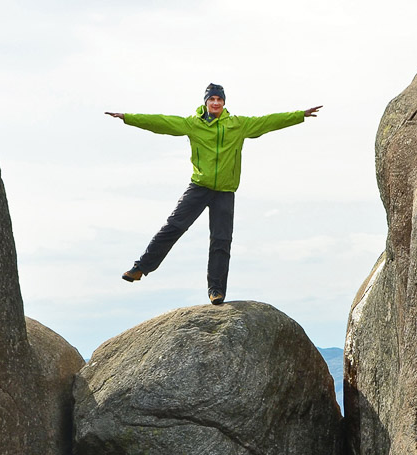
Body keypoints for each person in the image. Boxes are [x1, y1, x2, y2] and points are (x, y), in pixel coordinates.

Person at [106, 84, 322, 305]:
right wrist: (128, 117)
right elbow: (161, 122)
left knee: (221, 241)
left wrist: (299, 115)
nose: (216, 103)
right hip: (199, 187)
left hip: (225, 192)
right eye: (212, 99)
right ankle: (140, 268)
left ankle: (216, 290)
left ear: (224, 103)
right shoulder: (193, 124)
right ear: (206, 102)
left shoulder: (238, 125)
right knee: (174, 226)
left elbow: (269, 122)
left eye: (220, 99)